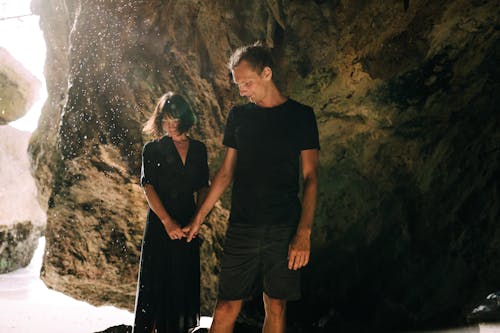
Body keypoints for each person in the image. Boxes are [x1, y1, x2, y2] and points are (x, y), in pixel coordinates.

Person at [183, 42, 320, 333]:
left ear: (267, 73)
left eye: (247, 83)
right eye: (238, 84)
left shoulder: (301, 116)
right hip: (242, 227)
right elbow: (225, 173)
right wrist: (198, 219)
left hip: (284, 227)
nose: (242, 90)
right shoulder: (239, 116)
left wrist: (303, 233)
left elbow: (310, 178)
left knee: (276, 305)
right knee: (225, 306)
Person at [133, 92, 209, 333]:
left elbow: (203, 187)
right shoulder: (152, 149)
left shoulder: (199, 149)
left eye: (174, 119)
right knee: (155, 285)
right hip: (159, 224)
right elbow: (148, 187)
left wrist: (197, 220)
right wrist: (167, 222)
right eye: (164, 119)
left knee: (181, 285)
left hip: (189, 224)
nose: (169, 125)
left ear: (184, 118)